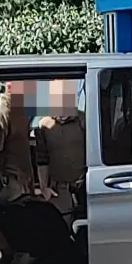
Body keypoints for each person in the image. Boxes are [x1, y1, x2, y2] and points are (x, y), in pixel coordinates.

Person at [35, 82, 87, 223]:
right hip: (58, 188)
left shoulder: (83, 120)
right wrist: (44, 187)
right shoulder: (44, 125)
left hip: (83, 184)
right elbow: (41, 159)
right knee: (61, 224)